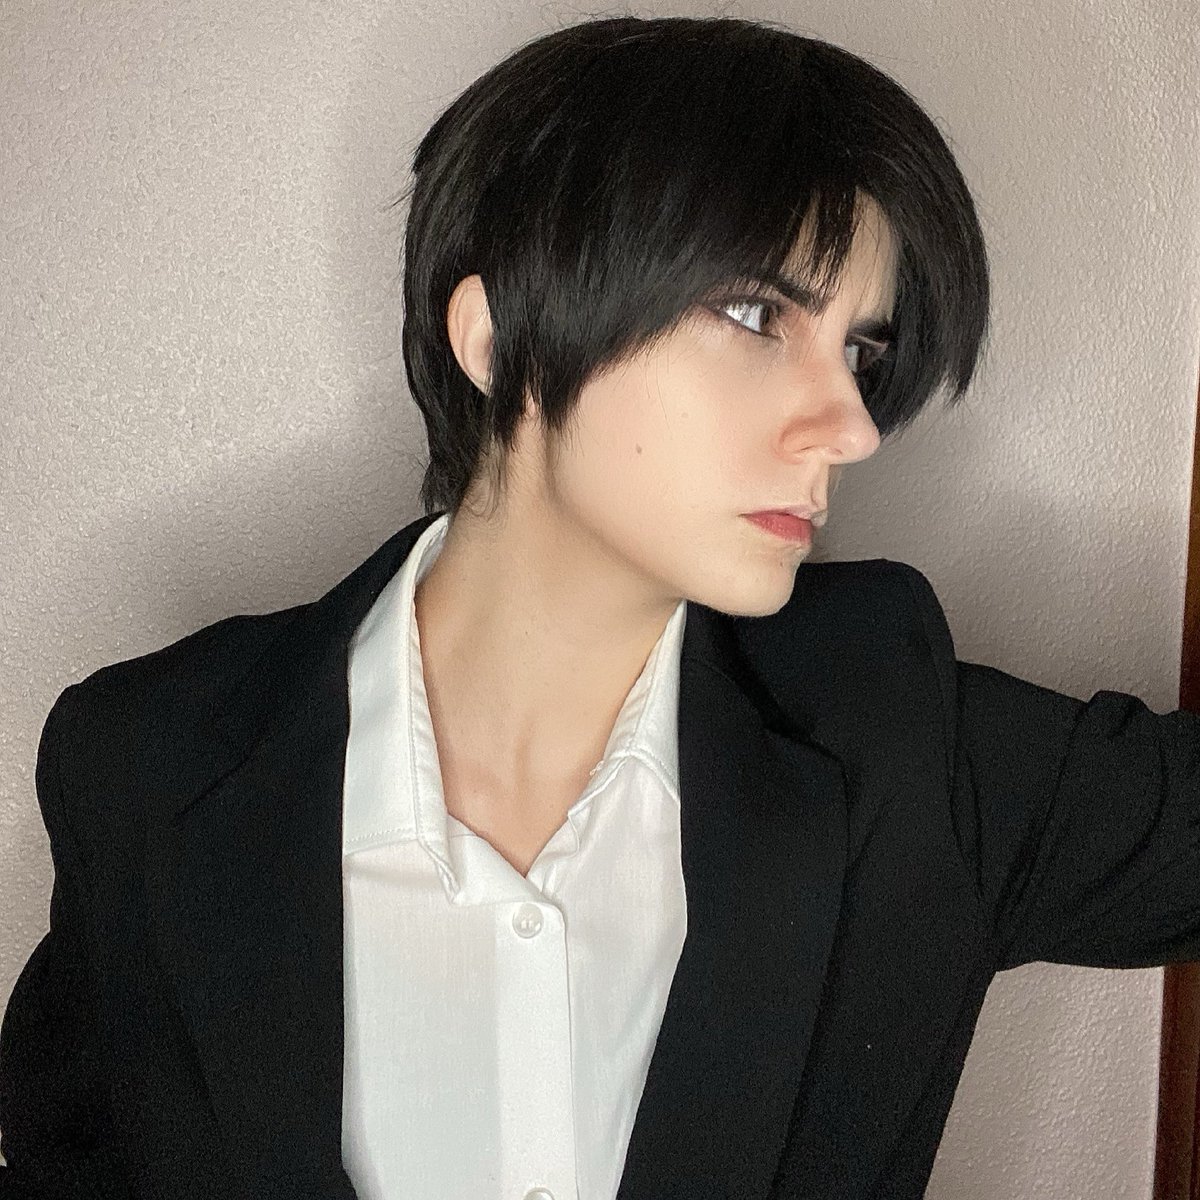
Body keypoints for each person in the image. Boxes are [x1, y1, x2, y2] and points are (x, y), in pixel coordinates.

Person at [1, 12, 1196, 1200]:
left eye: (861, 351)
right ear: (499, 335)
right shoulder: (148, 767)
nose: (851, 426)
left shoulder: (900, 743)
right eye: (756, 316)